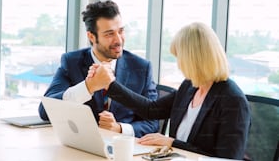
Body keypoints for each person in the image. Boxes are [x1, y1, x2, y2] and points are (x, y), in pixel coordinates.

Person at [86, 22, 251, 159]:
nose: (179, 64)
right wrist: (110, 84)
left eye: (180, 58)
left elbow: (227, 159)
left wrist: (171, 142)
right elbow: (151, 109)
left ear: (193, 59)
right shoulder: (190, 86)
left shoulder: (232, 100)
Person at [38, 0, 159, 137]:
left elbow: (153, 122)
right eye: (109, 34)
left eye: (121, 31)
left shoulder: (141, 68)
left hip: (123, 149)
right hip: (82, 145)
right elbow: (45, 111)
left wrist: (119, 128)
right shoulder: (71, 62)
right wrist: (89, 86)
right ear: (91, 36)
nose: (118, 40)